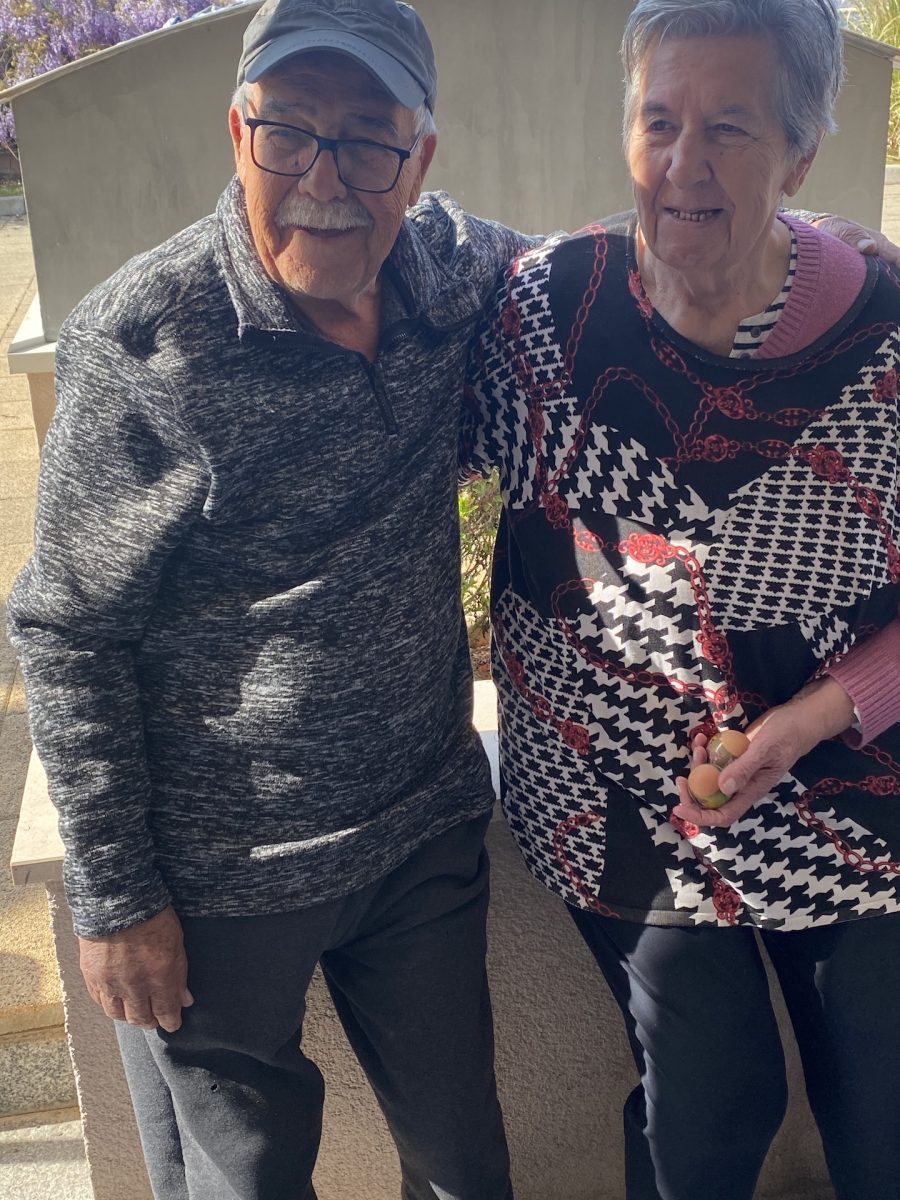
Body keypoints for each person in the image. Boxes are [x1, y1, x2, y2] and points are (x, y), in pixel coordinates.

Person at [5, 1, 533, 1196]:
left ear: (420, 161)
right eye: (288, 131)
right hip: (219, 883)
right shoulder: (146, 343)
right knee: (243, 1185)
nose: (324, 180)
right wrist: (117, 899)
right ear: (238, 133)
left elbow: (610, 275)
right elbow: (69, 630)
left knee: (465, 1165)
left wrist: (834, 258)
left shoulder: (457, 273)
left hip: (420, 835)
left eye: (367, 140)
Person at [461, 1, 900, 1198]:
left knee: (887, 1103)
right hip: (615, 777)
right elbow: (384, 426)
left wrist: (817, 716)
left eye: (730, 129)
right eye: (659, 121)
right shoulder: (543, 311)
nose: (683, 164)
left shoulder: (886, 335)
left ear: (802, 154)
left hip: (846, 769)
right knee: (713, 1096)